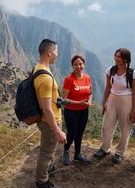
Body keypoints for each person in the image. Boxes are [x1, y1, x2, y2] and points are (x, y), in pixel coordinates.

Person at [94, 48, 135, 163]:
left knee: (125, 128)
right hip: (112, 99)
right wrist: (104, 103)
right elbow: (108, 87)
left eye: (119, 56)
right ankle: (104, 148)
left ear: (126, 59)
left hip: (127, 100)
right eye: (116, 56)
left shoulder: (132, 73)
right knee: (106, 125)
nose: (116, 58)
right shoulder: (111, 70)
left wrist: (134, 110)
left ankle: (119, 152)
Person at [34, 39, 67, 188]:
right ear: (49, 52)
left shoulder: (39, 68)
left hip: (45, 119)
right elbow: (47, 108)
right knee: (46, 152)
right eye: (56, 52)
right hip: (48, 121)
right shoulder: (45, 77)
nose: (57, 55)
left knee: (48, 149)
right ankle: (42, 181)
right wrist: (57, 130)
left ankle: (48, 168)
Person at [61, 55, 93, 166]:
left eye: (80, 64)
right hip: (71, 111)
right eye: (76, 64)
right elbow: (64, 99)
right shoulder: (69, 80)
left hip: (84, 110)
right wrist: (79, 103)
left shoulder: (87, 78)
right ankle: (65, 150)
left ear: (83, 65)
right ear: (72, 66)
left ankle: (77, 154)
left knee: (80, 132)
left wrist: (89, 101)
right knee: (72, 133)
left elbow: (90, 93)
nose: (78, 66)